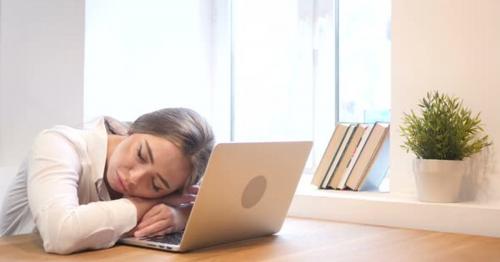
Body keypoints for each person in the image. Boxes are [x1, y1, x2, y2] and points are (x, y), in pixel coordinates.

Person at [0, 108, 214, 254]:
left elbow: (218, 208)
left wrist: (182, 216)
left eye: (155, 185)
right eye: (140, 154)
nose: (133, 178)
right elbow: (60, 233)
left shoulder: (174, 175)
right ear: (134, 129)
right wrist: (148, 203)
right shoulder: (58, 144)